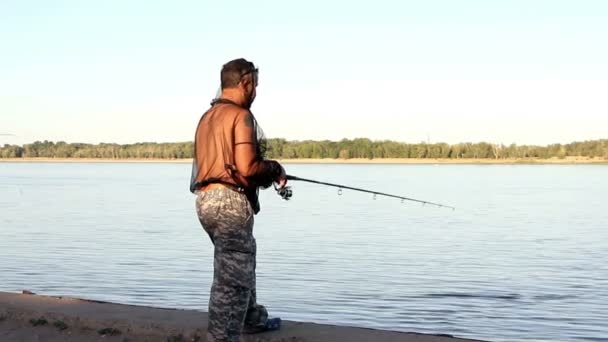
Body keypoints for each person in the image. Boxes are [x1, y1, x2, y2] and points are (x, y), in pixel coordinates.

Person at [190, 58, 287, 342]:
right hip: (229, 203)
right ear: (245, 82)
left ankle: (253, 318)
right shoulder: (240, 116)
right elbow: (246, 168)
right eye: (255, 85)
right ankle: (222, 337)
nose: (256, 92)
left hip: (205, 201)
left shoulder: (207, 117)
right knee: (231, 280)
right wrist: (275, 168)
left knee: (241, 258)